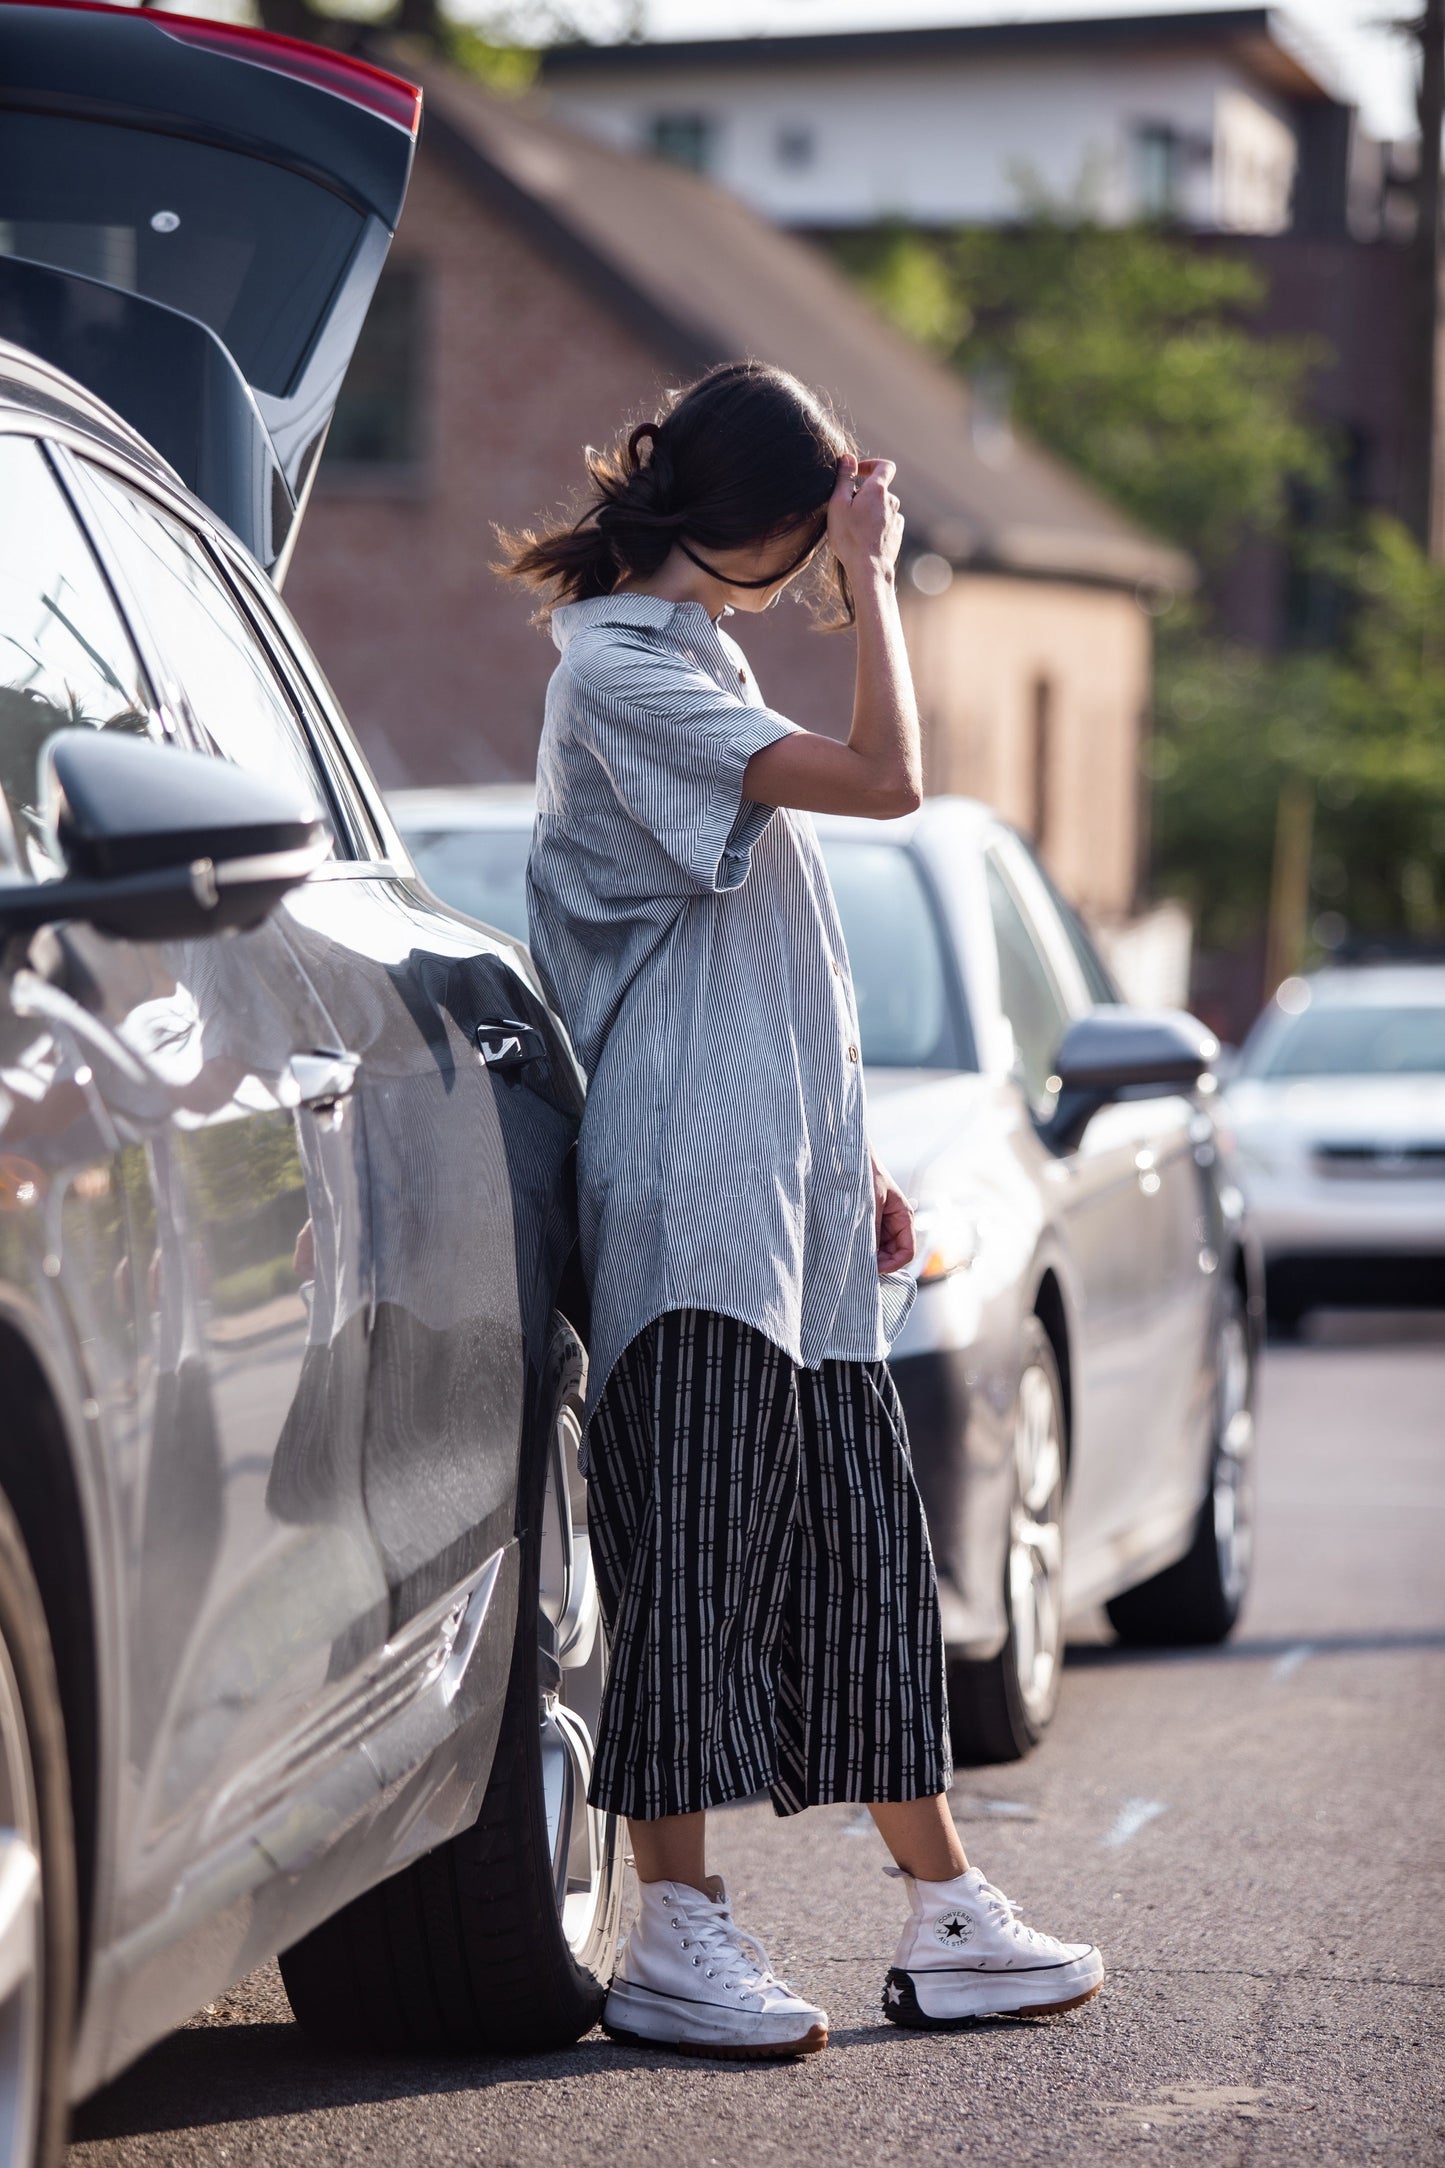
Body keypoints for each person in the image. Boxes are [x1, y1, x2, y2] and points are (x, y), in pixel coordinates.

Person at [501, 361, 1103, 2058]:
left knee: (859, 1561)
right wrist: (880, 578)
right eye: (814, 526)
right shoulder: (622, 668)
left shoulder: (696, 653)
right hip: (691, 1189)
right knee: (689, 1556)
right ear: (766, 518)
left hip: (788, 1198)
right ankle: (678, 1931)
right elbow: (888, 778)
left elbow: (772, 958)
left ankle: (947, 1914)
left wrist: (852, 1162)